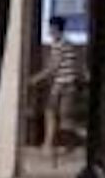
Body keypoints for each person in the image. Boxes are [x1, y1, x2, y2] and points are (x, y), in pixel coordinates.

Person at [35, 19, 86, 151]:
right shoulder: (61, 43)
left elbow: (54, 66)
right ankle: (50, 143)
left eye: (51, 28)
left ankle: (70, 142)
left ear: (56, 29)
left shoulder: (61, 44)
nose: (50, 31)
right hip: (60, 85)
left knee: (63, 116)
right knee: (52, 113)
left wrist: (37, 78)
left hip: (64, 85)